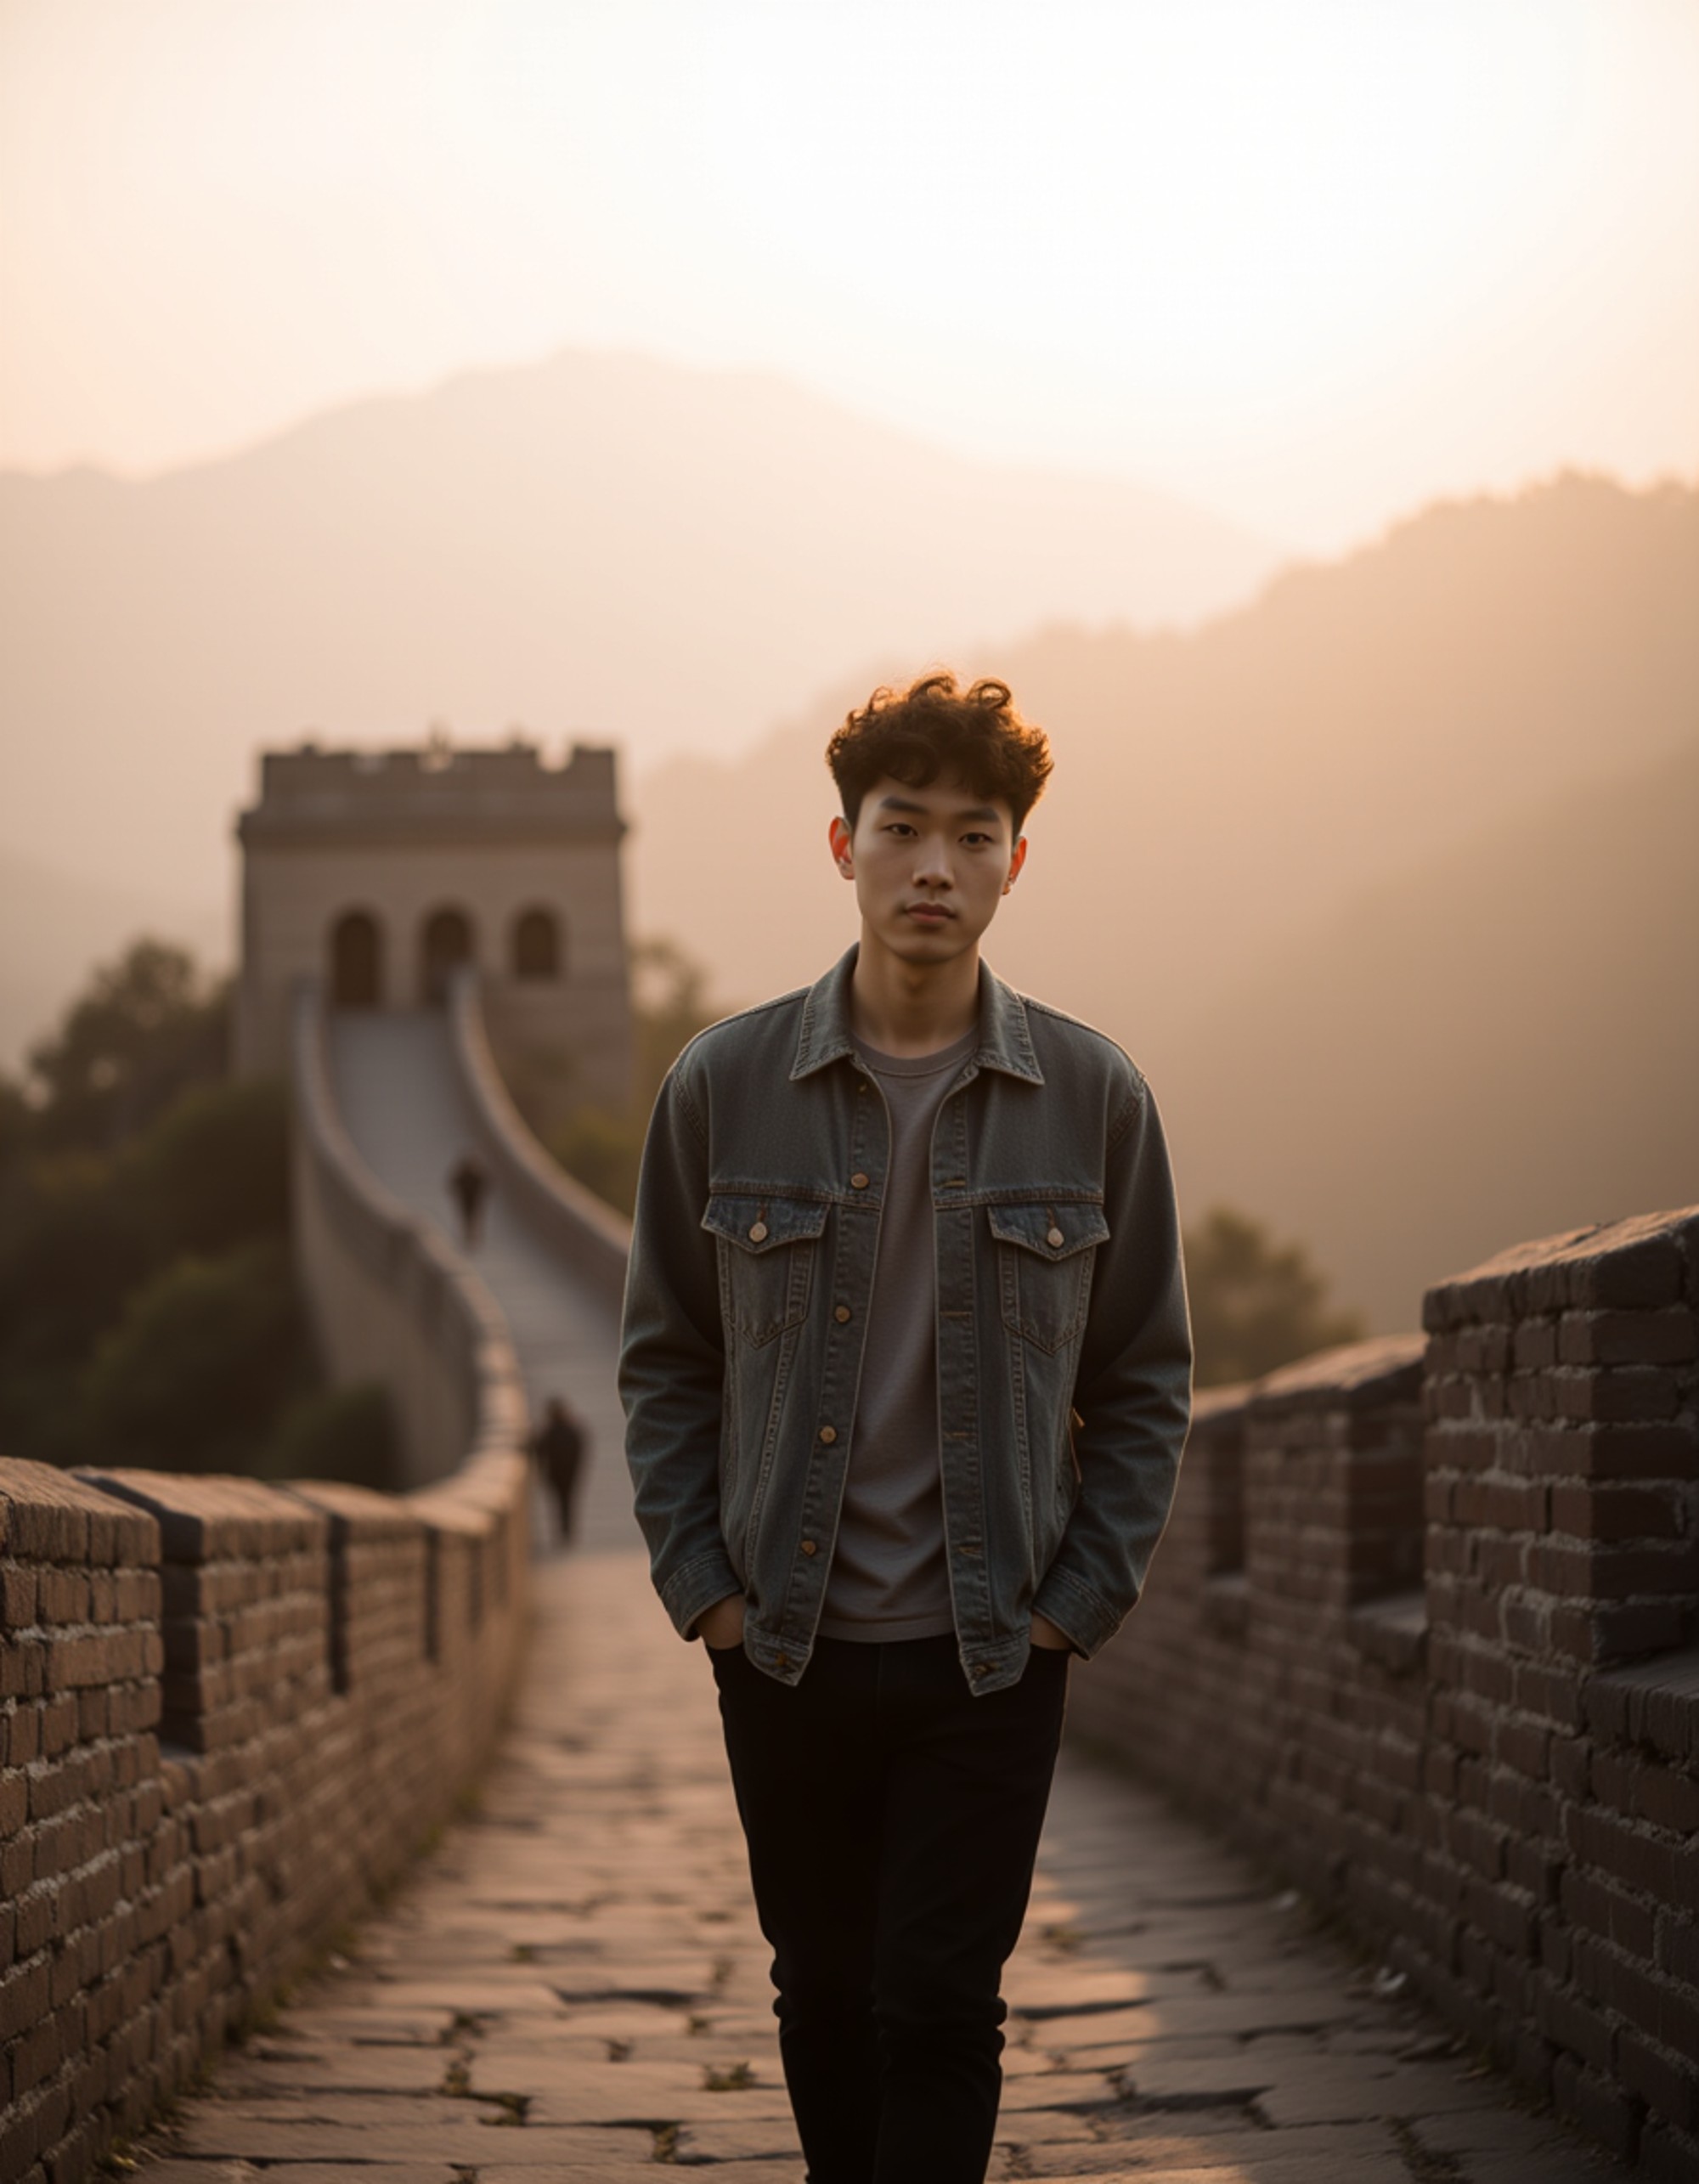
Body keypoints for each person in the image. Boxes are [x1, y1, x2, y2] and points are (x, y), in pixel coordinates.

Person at [618, 671, 1191, 2184]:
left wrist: (1078, 1604)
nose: (935, 866)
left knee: (940, 1999)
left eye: (974, 835)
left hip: (989, 1652)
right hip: (787, 1643)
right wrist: (710, 1589)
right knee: (824, 1993)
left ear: (1017, 860)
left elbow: (1145, 1376)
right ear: (842, 844)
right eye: (903, 829)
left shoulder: (1091, 1096)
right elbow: (665, 1357)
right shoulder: (724, 1086)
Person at [530, 1395, 585, 1546]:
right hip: (565, 1474)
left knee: (561, 1503)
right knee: (566, 1502)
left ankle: (564, 1532)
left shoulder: (550, 1431)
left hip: (558, 1474)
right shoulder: (569, 1430)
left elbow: (538, 1450)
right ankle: (566, 1532)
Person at [447, 1149, 490, 1250]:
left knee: (474, 1217)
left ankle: (473, 1237)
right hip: (465, 1200)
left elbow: (486, 1184)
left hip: (474, 1200)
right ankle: (468, 1236)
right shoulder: (464, 1174)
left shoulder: (476, 1175)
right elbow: (454, 1183)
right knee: (467, 1218)